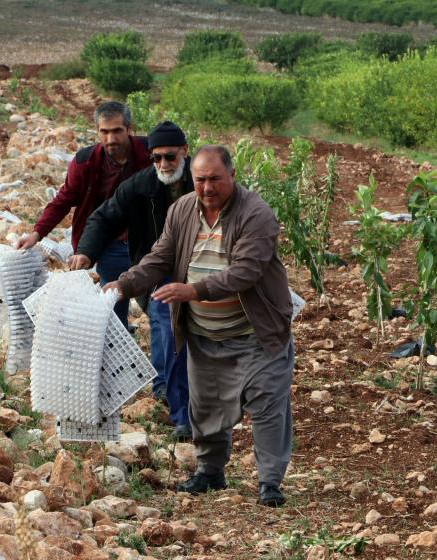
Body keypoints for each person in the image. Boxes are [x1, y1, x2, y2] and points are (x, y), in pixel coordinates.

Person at [103, 145, 295, 507]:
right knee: (204, 406)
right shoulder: (182, 210)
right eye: (200, 180)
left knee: (268, 405)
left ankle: (270, 482)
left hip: (255, 334)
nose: (207, 188)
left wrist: (194, 290)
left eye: (215, 179)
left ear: (232, 176)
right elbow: (160, 257)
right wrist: (125, 284)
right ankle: (210, 472)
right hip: (205, 335)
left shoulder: (256, 214)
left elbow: (246, 271)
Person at [70, 121, 193, 440]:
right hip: (157, 268)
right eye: (156, 158)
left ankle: (180, 389)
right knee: (167, 325)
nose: (163, 165)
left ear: (185, 152)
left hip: (202, 268)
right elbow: (104, 217)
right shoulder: (139, 186)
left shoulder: (203, 180)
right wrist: (86, 251)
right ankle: (180, 412)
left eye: (170, 157)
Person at [14, 101, 151, 325]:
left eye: (117, 131)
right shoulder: (85, 161)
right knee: (113, 308)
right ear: (97, 131)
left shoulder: (150, 154)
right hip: (109, 243)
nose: (110, 139)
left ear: (129, 128)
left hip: (147, 241)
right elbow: (63, 200)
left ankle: (160, 358)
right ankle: (119, 349)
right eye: (104, 132)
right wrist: (37, 233)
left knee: (157, 308)